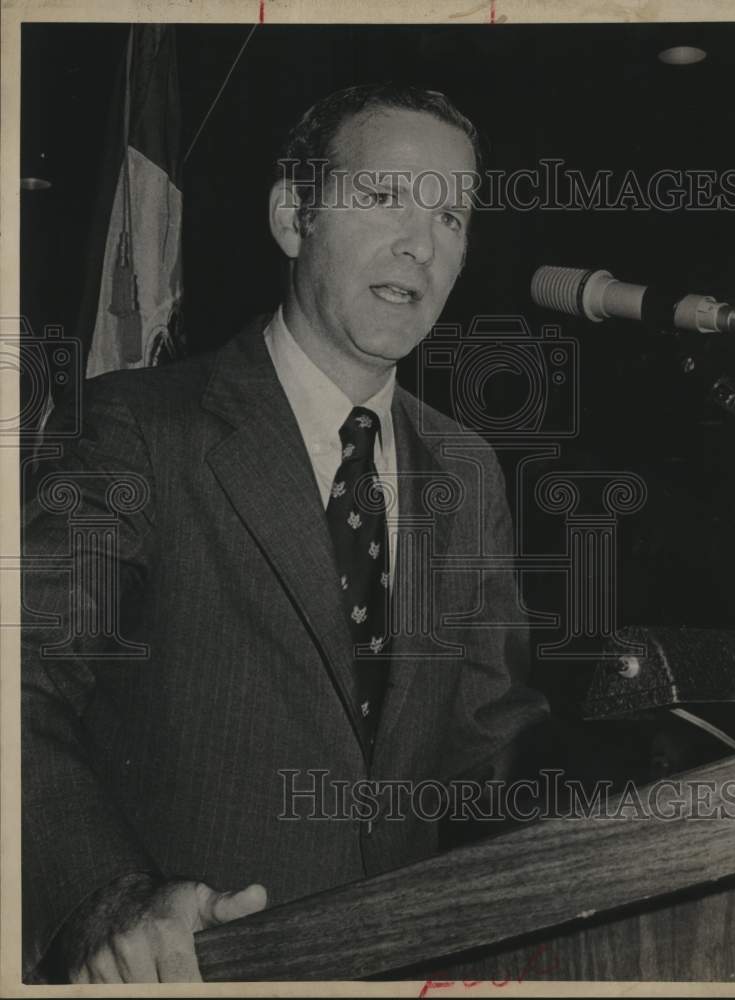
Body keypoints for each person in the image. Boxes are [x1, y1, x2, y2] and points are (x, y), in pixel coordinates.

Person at [21, 82, 548, 984]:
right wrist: (101, 897)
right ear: (293, 218)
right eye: (384, 197)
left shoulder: (466, 469)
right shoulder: (137, 428)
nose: (421, 244)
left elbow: (490, 748)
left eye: (450, 216)